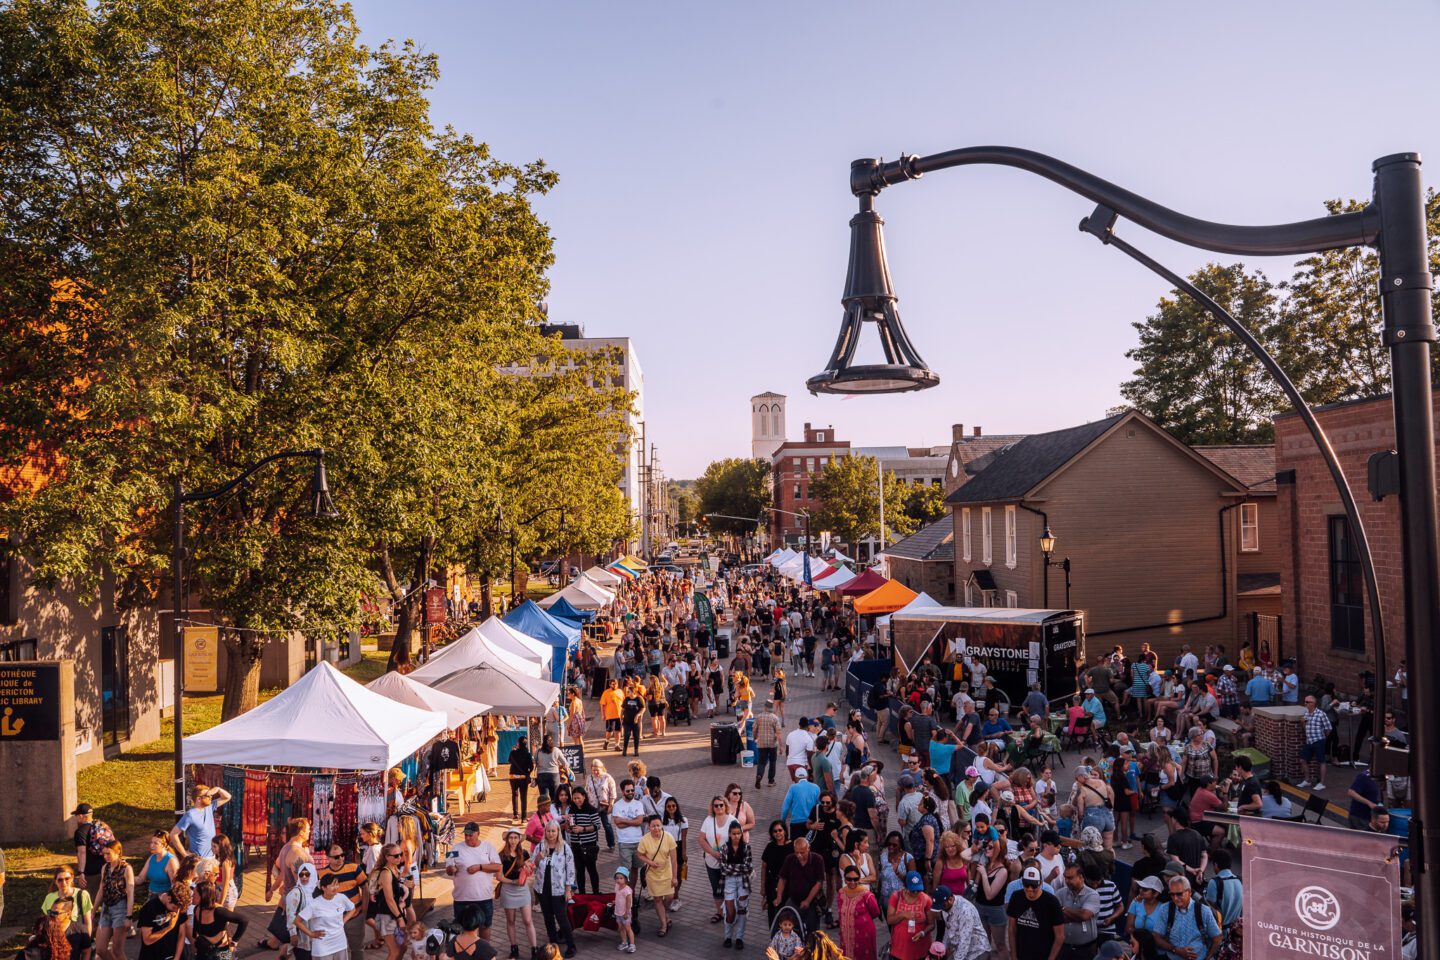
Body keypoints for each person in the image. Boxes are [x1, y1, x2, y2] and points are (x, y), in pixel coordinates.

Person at [447, 822, 500, 940]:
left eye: (470, 835)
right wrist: (452, 869)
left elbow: (497, 867)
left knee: (485, 926)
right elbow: (448, 868)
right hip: (462, 899)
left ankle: (484, 953)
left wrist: (479, 867)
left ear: (478, 834)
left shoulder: (488, 847)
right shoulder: (456, 848)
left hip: (484, 898)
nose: (467, 838)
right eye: (466, 835)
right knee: (460, 929)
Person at [1155, 876, 1221, 960]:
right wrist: (1176, 950)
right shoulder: (1165, 909)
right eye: (1172, 894)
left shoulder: (1204, 911)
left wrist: (1208, 958)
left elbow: (1217, 938)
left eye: (1179, 894)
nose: (1175, 898)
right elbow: (1156, 937)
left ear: (1189, 892)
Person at [496, 830, 538, 960]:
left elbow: (529, 870)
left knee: (528, 920)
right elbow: (499, 877)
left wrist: (529, 869)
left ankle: (534, 949)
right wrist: (513, 881)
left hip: (522, 890)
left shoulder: (524, 853)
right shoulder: (502, 855)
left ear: (519, 839)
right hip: (508, 890)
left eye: (515, 838)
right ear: (507, 839)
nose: (513, 840)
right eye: (511, 838)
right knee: (511, 921)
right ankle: (514, 948)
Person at [295, 873, 358, 960]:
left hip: (340, 944)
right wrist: (311, 934)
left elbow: (352, 909)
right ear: (323, 888)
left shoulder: (341, 898)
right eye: (332, 885)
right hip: (322, 947)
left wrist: (342, 922)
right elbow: (297, 921)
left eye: (337, 884)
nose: (335, 887)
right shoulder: (315, 904)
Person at [1008, 866, 1065, 960]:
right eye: (1026, 885)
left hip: (1043, 955)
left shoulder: (1051, 902)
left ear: (1041, 883)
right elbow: (1011, 928)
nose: (1030, 889)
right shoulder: (1016, 897)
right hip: (1021, 954)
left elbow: (1060, 936)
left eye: (1034, 885)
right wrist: (1013, 956)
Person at [774, 836, 826, 937]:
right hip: (794, 900)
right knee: (789, 924)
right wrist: (779, 896)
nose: (799, 855)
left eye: (802, 852)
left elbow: (819, 883)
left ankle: (811, 950)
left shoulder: (817, 859)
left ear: (808, 849)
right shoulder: (790, 858)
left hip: (812, 902)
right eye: (796, 852)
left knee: (812, 930)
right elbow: (782, 879)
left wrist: (807, 900)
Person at [700, 795, 740, 925]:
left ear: (725, 806)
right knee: (716, 887)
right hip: (711, 861)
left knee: (729, 888)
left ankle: (731, 912)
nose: (718, 807)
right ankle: (719, 912)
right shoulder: (708, 820)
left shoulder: (732, 821)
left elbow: (738, 840)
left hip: (729, 862)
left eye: (721, 805)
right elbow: (701, 839)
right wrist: (712, 852)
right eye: (715, 805)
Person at [92, 840, 134, 960]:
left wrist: (129, 916)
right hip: (106, 908)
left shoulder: (126, 868)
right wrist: (94, 910)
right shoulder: (105, 867)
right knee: (100, 949)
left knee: (117, 951)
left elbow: (130, 893)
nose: (105, 857)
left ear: (118, 852)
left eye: (108, 854)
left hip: (120, 908)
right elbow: (101, 889)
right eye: (104, 854)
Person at [636, 816, 677, 938]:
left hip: (667, 872)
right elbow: (640, 855)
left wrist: (675, 877)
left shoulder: (668, 837)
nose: (656, 828)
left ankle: (664, 915)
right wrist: (650, 862)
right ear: (649, 827)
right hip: (652, 875)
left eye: (658, 825)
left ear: (662, 825)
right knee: (658, 900)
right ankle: (663, 925)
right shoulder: (645, 839)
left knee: (670, 896)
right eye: (653, 826)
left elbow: (674, 859)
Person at [43, 866, 94, 960]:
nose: (64, 883)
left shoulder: (82, 895)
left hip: (76, 938)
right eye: (60, 880)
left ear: (72, 878)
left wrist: (86, 942)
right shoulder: (49, 898)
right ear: (55, 881)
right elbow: (47, 921)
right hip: (55, 941)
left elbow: (88, 922)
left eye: (67, 879)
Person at [170, 783, 232, 859]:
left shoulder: (209, 807)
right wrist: (184, 854)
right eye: (207, 795)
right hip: (198, 860)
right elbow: (173, 834)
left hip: (211, 858)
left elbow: (227, 797)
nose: (210, 797)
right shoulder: (190, 815)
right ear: (199, 799)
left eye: (210, 795)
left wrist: (218, 789)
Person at [613, 778, 648, 909]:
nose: (631, 792)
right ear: (622, 791)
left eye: (632, 790)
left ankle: (631, 893)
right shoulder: (617, 805)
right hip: (625, 843)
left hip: (638, 842)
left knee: (635, 869)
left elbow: (640, 821)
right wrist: (633, 820)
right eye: (628, 790)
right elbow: (618, 824)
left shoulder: (638, 804)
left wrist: (625, 821)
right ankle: (623, 894)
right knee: (625, 871)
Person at [370, 845, 410, 960]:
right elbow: (389, 899)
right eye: (396, 856)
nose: (399, 858)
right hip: (387, 916)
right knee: (395, 951)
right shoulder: (386, 873)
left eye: (400, 854)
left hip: (395, 913)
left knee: (403, 947)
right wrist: (400, 918)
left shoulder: (395, 869)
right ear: (387, 857)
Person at [718, 820, 753, 949]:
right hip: (729, 881)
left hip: (743, 881)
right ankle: (728, 936)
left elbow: (749, 867)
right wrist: (740, 867)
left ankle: (739, 938)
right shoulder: (724, 848)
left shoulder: (747, 847)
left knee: (742, 910)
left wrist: (732, 867)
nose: (736, 836)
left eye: (738, 833)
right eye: (734, 834)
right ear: (729, 834)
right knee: (730, 913)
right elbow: (723, 869)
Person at [1056, 863, 1101, 959]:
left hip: (1086, 950)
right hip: (1064, 948)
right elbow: (1056, 918)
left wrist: (1062, 908)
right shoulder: (1060, 893)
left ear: (1080, 877)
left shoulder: (1092, 895)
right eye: (1065, 878)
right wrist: (1076, 915)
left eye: (1070, 878)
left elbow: (1084, 915)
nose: (1067, 881)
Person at [886, 871, 933, 960]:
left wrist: (922, 933)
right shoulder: (896, 897)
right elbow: (890, 920)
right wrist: (903, 915)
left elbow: (932, 924)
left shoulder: (926, 899)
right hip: (899, 948)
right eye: (912, 890)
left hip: (920, 948)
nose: (916, 893)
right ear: (906, 888)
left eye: (918, 890)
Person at [567, 787, 602, 895]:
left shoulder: (591, 809)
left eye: (579, 798)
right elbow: (570, 825)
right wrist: (570, 829)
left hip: (589, 844)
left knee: (592, 869)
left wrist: (583, 829)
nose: (577, 800)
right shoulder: (571, 810)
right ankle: (582, 893)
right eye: (574, 798)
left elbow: (597, 825)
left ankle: (596, 893)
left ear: (584, 796)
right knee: (579, 870)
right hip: (576, 844)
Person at [135, 889, 185, 960]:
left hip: (172, 956)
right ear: (168, 898)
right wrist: (169, 927)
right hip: (152, 956)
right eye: (174, 908)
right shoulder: (149, 908)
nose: (176, 911)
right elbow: (147, 940)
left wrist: (177, 957)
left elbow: (181, 935)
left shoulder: (179, 905)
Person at [761, 821, 793, 929]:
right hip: (772, 885)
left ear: (784, 831)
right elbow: (764, 867)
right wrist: (762, 887)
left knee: (786, 914)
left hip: (788, 886)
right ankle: (774, 940)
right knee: (773, 914)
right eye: (775, 831)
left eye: (780, 830)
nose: (778, 833)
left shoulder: (792, 847)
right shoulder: (770, 847)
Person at [71, 803, 109, 892]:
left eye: (76, 815)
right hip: (106, 868)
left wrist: (81, 873)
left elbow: (82, 853)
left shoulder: (80, 832)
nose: (75, 817)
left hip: (91, 872)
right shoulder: (102, 826)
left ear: (80, 816)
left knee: (90, 901)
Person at [659, 797, 689, 908]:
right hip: (665, 848)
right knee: (667, 873)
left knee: (678, 874)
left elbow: (684, 838)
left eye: (673, 806)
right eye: (669, 806)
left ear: (677, 807)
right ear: (666, 808)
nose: (671, 808)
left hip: (678, 846)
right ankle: (667, 895)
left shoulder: (683, 820)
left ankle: (676, 897)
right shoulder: (662, 820)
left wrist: (684, 853)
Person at [1299, 695, 1333, 790]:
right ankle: (1307, 780)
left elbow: (1328, 728)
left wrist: (1323, 737)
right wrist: (1303, 723)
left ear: (1313, 703)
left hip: (1319, 741)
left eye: (1307, 702)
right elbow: (1305, 728)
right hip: (1309, 740)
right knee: (1303, 760)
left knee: (1321, 761)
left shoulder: (1321, 714)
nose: (1305, 703)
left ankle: (1321, 783)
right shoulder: (1306, 713)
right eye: (1305, 701)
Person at [1203, 850, 1242, 929]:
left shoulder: (1214, 882)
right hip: (1235, 930)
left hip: (1220, 930)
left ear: (1216, 865)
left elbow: (1211, 909)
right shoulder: (1240, 880)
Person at [780, 768, 821, 840]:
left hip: (796, 823)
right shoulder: (816, 787)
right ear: (807, 777)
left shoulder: (793, 788)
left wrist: (782, 821)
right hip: (811, 823)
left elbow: (785, 807)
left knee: (796, 846)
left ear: (796, 778)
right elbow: (820, 806)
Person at [754, 700, 783, 789]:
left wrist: (755, 737)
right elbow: (778, 733)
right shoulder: (775, 718)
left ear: (765, 707)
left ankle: (759, 776)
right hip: (772, 744)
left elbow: (754, 729)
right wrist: (781, 746)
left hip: (761, 743)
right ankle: (771, 780)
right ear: (772, 708)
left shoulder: (759, 717)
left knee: (762, 762)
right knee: (772, 762)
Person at [508, 737, 535, 823]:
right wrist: (528, 773)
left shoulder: (513, 752)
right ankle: (524, 817)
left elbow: (509, 761)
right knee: (523, 797)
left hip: (513, 777)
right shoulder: (528, 754)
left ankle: (515, 815)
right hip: (523, 778)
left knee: (514, 794)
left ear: (518, 744)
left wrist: (513, 751)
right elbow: (531, 766)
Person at [786, 717, 817, 783]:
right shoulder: (808, 738)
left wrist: (789, 759)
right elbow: (809, 756)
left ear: (799, 725)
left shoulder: (790, 734)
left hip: (790, 763)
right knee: (803, 784)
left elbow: (787, 750)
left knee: (797, 783)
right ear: (808, 726)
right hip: (801, 764)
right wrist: (812, 768)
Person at [613, 868, 636, 954]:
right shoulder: (616, 887)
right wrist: (615, 902)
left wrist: (626, 913)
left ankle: (632, 944)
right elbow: (618, 897)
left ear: (626, 879)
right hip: (618, 912)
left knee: (628, 928)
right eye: (617, 878)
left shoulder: (627, 890)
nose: (618, 880)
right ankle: (624, 942)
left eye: (621, 878)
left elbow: (629, 903)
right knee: (621, 928)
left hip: (625, 913)